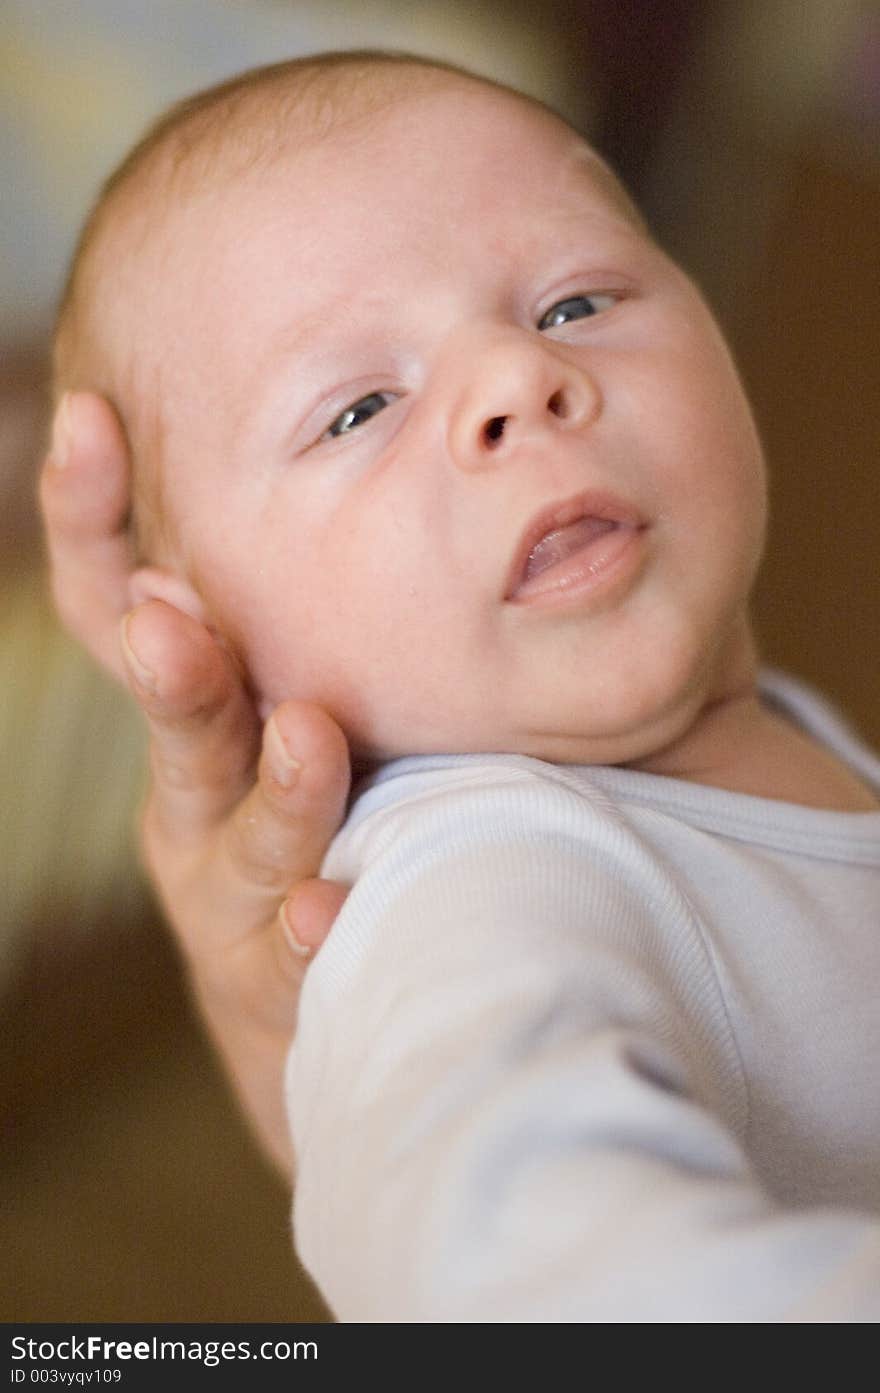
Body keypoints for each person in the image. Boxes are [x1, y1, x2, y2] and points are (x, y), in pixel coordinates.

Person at [42, 51, 880, 1320]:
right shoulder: (482, 884)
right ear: (202, 632)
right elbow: (516, 1263)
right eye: (358, 407)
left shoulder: (753, 743)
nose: (515, 378)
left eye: (575, 304)